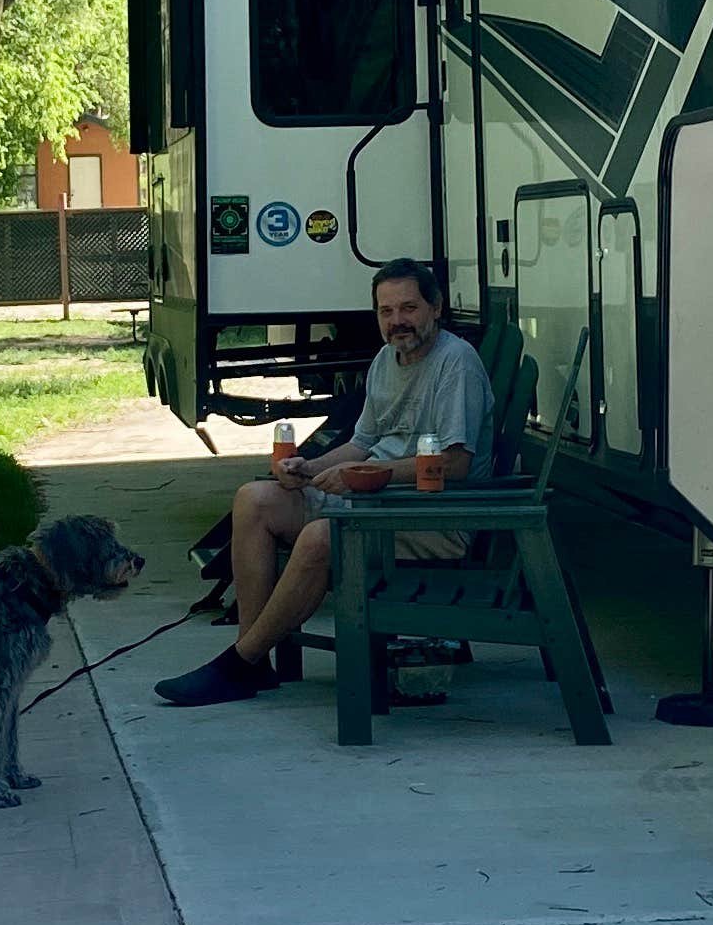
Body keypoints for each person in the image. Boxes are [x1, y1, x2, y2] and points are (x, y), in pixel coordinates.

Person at [157, 258, 493, 706]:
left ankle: (239, 662)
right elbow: (362, 442)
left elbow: (454, 464)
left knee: (321, 537)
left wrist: (362, 477)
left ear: (436, 308)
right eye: (386, 311)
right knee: (254, 499)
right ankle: (255, 666)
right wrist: (307, 469)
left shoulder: (456, 364)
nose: (397, 321)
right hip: (376, 504)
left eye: (409, 308)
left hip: (434, 515)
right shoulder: (384, 361)